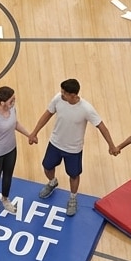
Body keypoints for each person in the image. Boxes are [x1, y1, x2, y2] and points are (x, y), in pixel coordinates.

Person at [26, 78, 115, 216]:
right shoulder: (58, 99)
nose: (61, 94)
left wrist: (111, 145)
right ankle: (52, 182)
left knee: (74, 175)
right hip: (55, 143)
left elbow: (101, 126)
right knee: (47, 167)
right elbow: (47, 115)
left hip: (74, 150)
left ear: (73, 95)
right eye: (61, 91)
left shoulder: (86, 109)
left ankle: (73, 198)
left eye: (65, 93)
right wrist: (34, 133)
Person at [0, 86, 33, 214]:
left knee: (8, 177)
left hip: (11, 150)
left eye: (14, 99)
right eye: (11, 100)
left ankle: (5, 199)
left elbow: (15, 124)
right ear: (2, 102)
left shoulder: (12, 109)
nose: (13, 102)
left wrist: (29, 135)